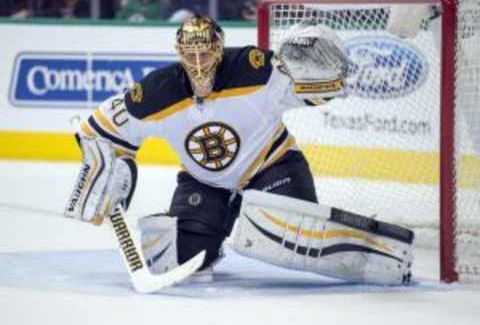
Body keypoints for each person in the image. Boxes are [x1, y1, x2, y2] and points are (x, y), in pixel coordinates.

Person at [65, 15, 414, 286]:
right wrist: (110, 166)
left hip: (272, 167)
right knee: (179, 261)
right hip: (205, 183)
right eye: (190, 55)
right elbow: (100, 129)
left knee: (291, 236)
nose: (199, 63)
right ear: (179, 54)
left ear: (220, 49)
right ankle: (215, 229)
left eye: (206, 53)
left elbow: (323, 88)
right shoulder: (157, 92)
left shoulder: (256, 68)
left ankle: (380, 250)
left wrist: (324, 65)